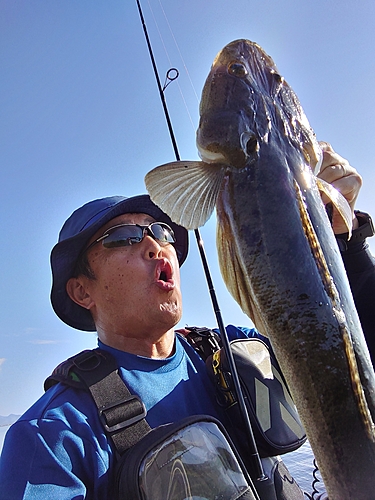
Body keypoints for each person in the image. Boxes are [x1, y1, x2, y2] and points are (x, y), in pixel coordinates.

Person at [0, 143, 374, 499]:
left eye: (162, 232)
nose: (156, 244)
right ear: (82, 292)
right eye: (124, 237)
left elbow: (353, 359)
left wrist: (345, 242)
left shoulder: (241, 352)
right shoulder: (51, 436)